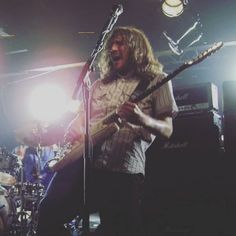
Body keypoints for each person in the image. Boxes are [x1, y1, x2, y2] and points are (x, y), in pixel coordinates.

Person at [36, 26, 178, 236]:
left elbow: (167, 129)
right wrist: (76, 130)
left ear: (137, 48)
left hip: (123, 172)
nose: (113, 48)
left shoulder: (157, 80)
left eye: (120, 43)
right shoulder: (98, 85)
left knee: (116, 230)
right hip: (85, 167)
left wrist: (141, 118)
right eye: (111, 44)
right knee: (48, 212)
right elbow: (80, 121)